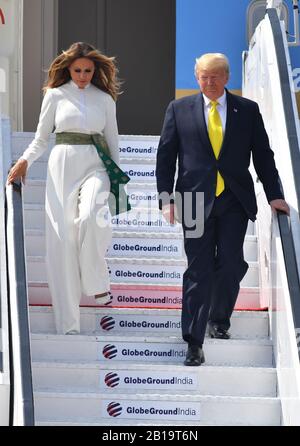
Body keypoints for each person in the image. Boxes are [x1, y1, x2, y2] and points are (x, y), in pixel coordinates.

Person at [156, 53, 289, 366]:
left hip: (233, 200)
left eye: (215, 76)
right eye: (203, 76)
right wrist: (166, 198)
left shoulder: (247, 110)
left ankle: (219, 317)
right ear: (197, 77)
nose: (209, 82)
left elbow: (264, 156)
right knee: (198, 270)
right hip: (191, 200)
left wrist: (275, 194)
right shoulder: (179, 109)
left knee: (230, 264)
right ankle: (194, 342)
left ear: (227, 78)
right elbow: (166, 157)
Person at [7, 42, 130, 335]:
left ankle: (98, 283)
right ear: (68, 68)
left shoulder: (105, 100)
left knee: (91, 216)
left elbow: (112, 142)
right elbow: (40, 138)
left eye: (88, 70)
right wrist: (24, 160)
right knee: (62, 244)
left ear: (96, 69)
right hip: (62, 164)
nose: (83, 76)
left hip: (97, 164)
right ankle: (68, 325)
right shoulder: (55, 95)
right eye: (78, 70)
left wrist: (116, 181)